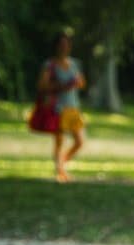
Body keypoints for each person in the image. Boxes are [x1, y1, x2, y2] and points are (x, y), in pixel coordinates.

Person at [37, 29, 87, 183]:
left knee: (79, 141)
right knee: (59, 141)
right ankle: (60, 171)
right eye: (61, 44)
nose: (64, 47)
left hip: (73, 107)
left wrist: (77, 83)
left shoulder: (74, 64)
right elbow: (42, 86)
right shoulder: (50, 65)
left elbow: (82, 83)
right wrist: (62, 86)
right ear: (56, 46)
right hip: (58, 108)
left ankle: (61, 164)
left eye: (67, 44)